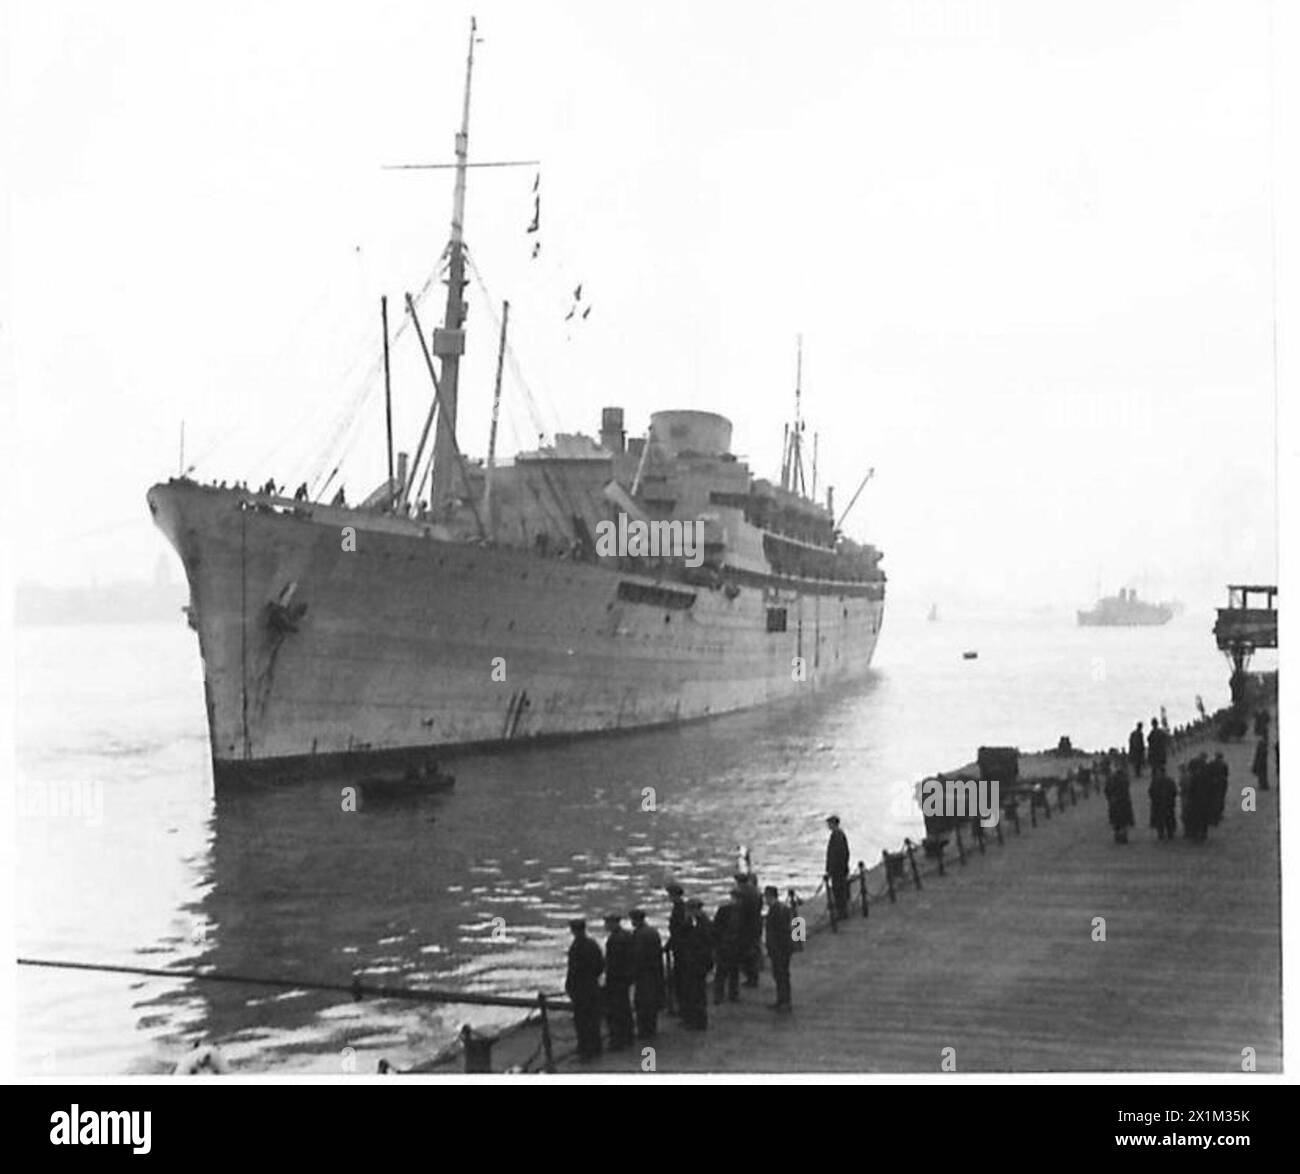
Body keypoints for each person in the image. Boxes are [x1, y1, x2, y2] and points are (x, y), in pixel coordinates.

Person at [565, 919, 604, 1060]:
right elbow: (600, 965)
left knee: (582, 1020)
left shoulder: (576, 947)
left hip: (581, 989)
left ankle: (585, 1051)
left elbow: (573, 970)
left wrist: (569, 986)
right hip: (592, 986)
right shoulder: (593, 944)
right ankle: (596, 1047)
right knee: (593, 1019)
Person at [675, 898, 713, 1030]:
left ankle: (698, 1022)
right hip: (696, 963)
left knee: (696, 993)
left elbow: (702, 945)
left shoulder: (703, 925)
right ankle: (694, 1019)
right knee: (694, 992)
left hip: (697, 964)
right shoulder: (700, 922)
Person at [629, 909, 665, 1040]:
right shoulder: (653, 932)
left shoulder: (639, 934)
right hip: (654, 971)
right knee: (651, 1001)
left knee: (643, 1002)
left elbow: (637, 956)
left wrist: (632, 972)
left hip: (644, 973)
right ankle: (651, 1028)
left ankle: (644, 1031)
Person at [602, 913, 635, 1051]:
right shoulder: (627, 935)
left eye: (607, 923)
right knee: (625, 1007)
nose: (605, 926)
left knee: (615, 1011)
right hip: (625, 978)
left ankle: (618, 1040)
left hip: (616, 979)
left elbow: (613, 962)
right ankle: (628, 1036)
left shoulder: (614, 939)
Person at [763, 886, 794, 1012]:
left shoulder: (775, 910)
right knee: (783, 975)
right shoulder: (784, 908)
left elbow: (774, 932)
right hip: (785, 948)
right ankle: (783, 1000)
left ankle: (784, 1001)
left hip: (779, 949)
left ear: (770, 896)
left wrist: (772, 948)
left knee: (780, 975)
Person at [712, 889, 742, 1005]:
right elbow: (716, 927)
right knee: (722, 971)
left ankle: (732, 994)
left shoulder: (741, 911)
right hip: (725, 945)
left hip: (734, 945)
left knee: (733, 971)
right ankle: (719, 995)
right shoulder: (724, 910)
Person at [734, 872, 763, 988]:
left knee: (747, 954)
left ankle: (751, 978)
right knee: (753, 951)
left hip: (747, 928)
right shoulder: (756, 892)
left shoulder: (744, 894)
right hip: (755, 926)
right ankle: (753, 977)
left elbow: (741, 913)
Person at [664, 883, 687, 1016]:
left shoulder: (678, 909)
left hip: (680, 949)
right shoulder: (681, 908)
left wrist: (671, 943)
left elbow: (678, 930)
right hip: (679, 947)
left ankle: (681, 1008)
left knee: (680, 979)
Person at [825, 815, 851, 918]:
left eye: (829, 824)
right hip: (840, 869)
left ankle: (842, 912)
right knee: (839, 890)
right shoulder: (839, 835)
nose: (828, 826)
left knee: (838, 891)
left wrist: (831, 869)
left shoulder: (837, 836)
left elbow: (836, 855)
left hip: (838, 870)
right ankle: (842, 911)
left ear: (833, 824)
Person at [1104, 766, 1135, 844]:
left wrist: (1110, 798)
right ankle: (1123, 837)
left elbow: (1107, 791)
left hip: (1114, 804)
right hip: (1124, 803)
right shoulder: (1124, 781)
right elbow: (1126, 792)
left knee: (1116, 822)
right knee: (1124, 823)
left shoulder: (1111, 781)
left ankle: (1118, 836)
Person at [1148, 767, 1177, 841]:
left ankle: (1167, 833)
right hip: (1162, 804)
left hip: (1164, 804)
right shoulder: (1166, 781)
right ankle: (1164, 833)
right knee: (1163, 819)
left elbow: (1174, 791)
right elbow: (1151, 792)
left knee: (1165, 819)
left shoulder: (1159, 781)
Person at [1209, 751, 1229, 826]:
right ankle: (1219, 814)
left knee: (1213, 799)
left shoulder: (1211, 763)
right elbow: (1226, 774)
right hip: (1221, 784)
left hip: (1213, 784)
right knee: (1220, 799)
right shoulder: (1224, 764)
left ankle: (1213, 814)